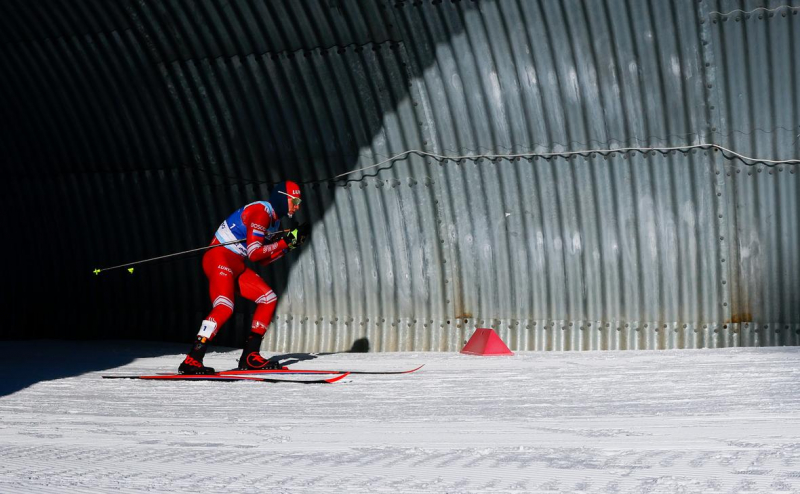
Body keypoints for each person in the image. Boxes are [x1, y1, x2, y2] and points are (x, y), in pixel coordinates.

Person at [178, 180, 309, 375]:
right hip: (219, 257)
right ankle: (192, 358)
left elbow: (264, 260)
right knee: (224, 307)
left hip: (236, 264)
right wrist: (284, 243)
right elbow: (255, 253)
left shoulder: (275, 221)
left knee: (268, 298)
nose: (297, 206)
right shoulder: (261, 213)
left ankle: (250, 355)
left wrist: (289, 245)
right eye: (294, 200)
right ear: (283, 199)